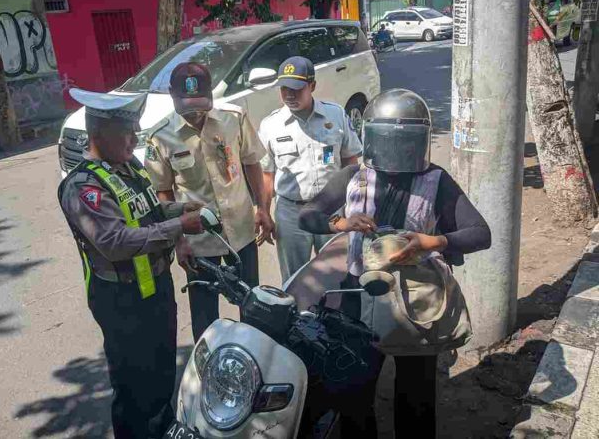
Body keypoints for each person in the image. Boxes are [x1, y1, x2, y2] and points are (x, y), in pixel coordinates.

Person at [298, 88, 491, 437]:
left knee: (415, 398)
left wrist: (434, 241)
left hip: (416, 303)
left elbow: (481, 233)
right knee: (354, 393)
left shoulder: (436, 180)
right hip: (360, 297)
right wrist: (340, 223)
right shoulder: (353, 177)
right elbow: (307, 215)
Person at [58, 88, 204, 439]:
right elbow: (114, 241)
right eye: (127, 132)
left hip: (155, 290)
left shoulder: (129, 167)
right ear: (99, 135)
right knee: (133, 388)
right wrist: (178, 226)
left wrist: (176, 210)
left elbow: (146, 212)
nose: (135, 138)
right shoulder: (83, 186)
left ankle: (163, 429)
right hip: (122, 302)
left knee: (161, 376)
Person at [145, 62, 274, 341]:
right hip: (198, 240)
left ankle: (254, 354)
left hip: (241, 229)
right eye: (187, 105)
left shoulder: (234, 118)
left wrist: (262, 208)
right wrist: (178, 241)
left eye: (201, 104)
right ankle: (209, 365)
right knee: (204, 313)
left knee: (251, 301)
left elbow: (252, 163)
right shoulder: (161, 137)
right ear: (171, 95)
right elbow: (163, 192)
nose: (195, 112)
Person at [257, 56, 362, 282]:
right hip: (291, 213)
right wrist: (263, 211)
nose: (289, 95)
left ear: (312, 86)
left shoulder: (335, 116)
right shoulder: (270, 125)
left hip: (332, 210)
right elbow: (267, 175)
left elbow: (351, 164)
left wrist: (354, 206)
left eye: (297, 89)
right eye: (284, 89)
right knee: (295, 280)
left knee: (337, 275)